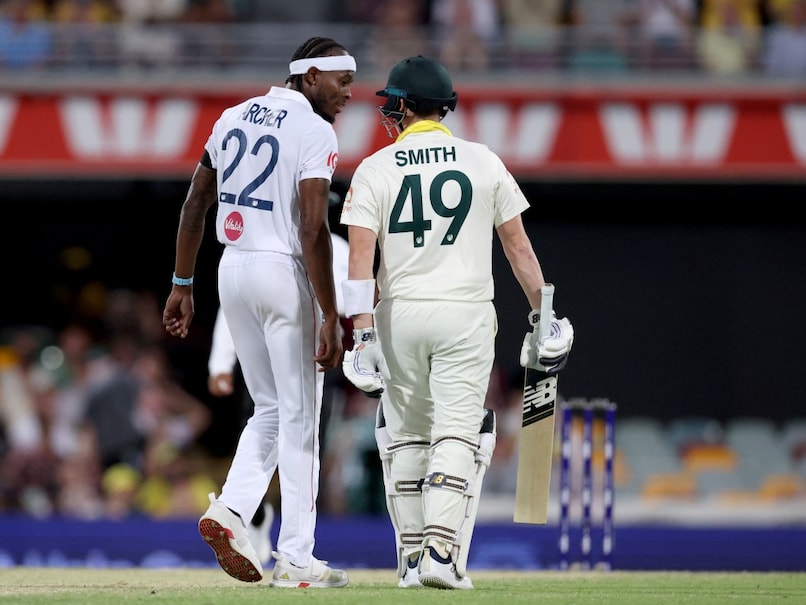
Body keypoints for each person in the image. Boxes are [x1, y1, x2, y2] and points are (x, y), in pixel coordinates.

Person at [339, 55, 573, 590]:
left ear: (402, 106)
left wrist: (362, 333)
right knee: (456, 433)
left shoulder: (375, 168)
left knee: (406, 437)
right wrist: (545, 315)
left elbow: (359, 263)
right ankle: (441, 552)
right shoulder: (483, 160)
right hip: (465, 314)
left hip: (399, 315)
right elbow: (518, 249)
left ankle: (412, 560)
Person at [161, 37, 356, 588]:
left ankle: (230, 510)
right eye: (342, 82)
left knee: (270, 409)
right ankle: (296, 557)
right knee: (299, 419)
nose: (348, 94)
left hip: (232, 268)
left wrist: (181, 282)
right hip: (281, 268)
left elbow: (196, 202)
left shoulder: (232, 116)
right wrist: (327, 311)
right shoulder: (315, 130)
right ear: (312, 75)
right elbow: (314, 228)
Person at [205, 229, 350, 566]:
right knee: (300, 432)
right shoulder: (315, 237)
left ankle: (234, 509)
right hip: (299, 327)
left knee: (271, 418)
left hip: (239, 271)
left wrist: (181, 282)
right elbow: (346, 299)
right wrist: (220, 362)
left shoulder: (246, 240)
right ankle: (291, 552)